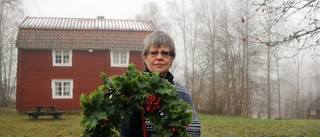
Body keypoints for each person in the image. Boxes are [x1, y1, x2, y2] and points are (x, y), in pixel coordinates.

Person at [120, 31, 201, 137]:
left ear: (171, 58)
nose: (159, 57)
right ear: (144, 57)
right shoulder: (132, 90)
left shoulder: (181, 93)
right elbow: (125, 133)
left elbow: (194, 131)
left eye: (165, 53)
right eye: (154, 53)